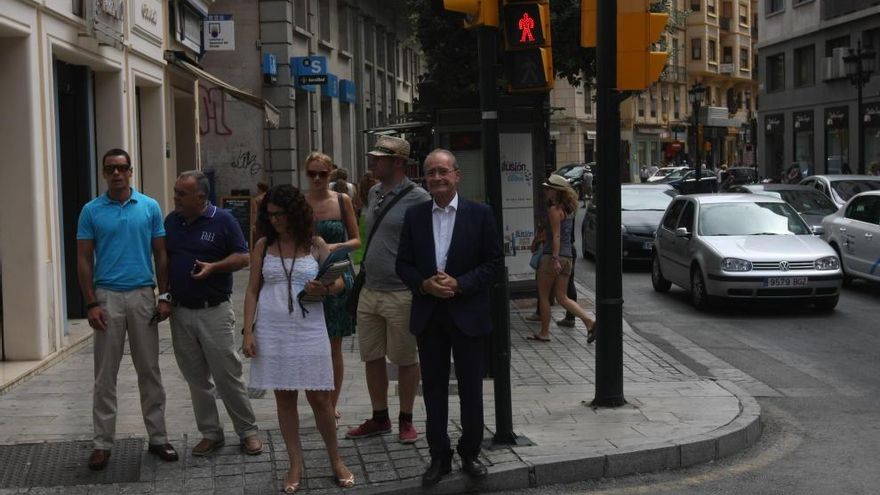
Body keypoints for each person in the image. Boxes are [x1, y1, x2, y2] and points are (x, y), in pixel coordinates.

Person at [396, 149, 502, 486]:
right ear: (424, 178)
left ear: (457, 175)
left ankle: (470, 453)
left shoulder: (480, 214)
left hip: (468, 315)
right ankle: (439, 457)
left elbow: (493, 263)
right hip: (430, 316)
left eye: (443, 171)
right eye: (431, 173)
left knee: (471, 389)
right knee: (434, 392)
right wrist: (424, 284)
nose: (437, 178)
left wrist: (460, 284)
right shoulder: (414, 216)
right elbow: (403, 264)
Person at [242, 185, 354, 492]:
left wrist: (325, 289)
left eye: (280, 214)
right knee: (285, 398)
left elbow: (340, 282)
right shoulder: (263, 245)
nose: (275, 220)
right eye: (270, 215)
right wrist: (248, 331)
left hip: (309, 328)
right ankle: (295, 462)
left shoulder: (315, 243)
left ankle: (335, 459)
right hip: (273, 328)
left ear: (294, 212)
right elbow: (252, 289)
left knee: (320, 398)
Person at [76, 148, 177, 470]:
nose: (116, 174)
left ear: (131, 171)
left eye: (121, 168)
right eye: (110, 169)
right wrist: (91, 302)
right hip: (107, 297)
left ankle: (158, 438)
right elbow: (82, 258)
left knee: (150, 371)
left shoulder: (149, 207)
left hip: (142, 294)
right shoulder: (91, 211)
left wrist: (165, 295)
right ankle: (102, 443)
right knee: (105, 375)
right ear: (104, 174)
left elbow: (161, 254)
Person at [164, 170, 262, 457]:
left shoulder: (224, 220)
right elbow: (165, 259)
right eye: (176, 192)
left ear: (201, 197)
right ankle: (211, 433)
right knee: (196, 379)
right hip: (181, 313)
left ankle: (248, 431)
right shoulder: (172, 222)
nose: (176, 198)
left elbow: (244, 257)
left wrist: (213, 267)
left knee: (227, 375)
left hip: (214, 311)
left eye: (182, 194)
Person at [346, 135, 431, 444]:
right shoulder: (373, 192)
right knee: (372, 356)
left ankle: (406, 419)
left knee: (405, 359)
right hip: (370, 288)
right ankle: (379, 416)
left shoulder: (418, 198)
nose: (373, 162)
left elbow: (426, 244)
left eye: (379, 158)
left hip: (401, 292)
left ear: (398, 163)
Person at [303, 152, 361, 425]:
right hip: (306, 276)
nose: (316, 178)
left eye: (322, 174)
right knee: (311, 345)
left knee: (334, 345)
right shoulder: (300, 203)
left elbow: (356, 241)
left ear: (330, 174)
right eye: (311, 173)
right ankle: (318, 401)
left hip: (337, 275)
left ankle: (332, 403)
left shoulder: (342, 200)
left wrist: (329, 246)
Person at [526, 174, 596, 343]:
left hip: (553, 256)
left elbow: (555, 236)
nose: (545, 191)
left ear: (555, 192)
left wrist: (554, 259)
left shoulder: (554, 210)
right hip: (568, 257)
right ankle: (589, 321)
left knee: (543, 296)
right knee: (562, 297)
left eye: (548, 188)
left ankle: (544, 332)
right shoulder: (568, 210)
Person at [351, 172, 378, 265]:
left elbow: (358, 204)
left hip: (363, 216)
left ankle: (362, 261)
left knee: (363, 242)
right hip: (374, 215)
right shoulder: (377, 190)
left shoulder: (361, 191)